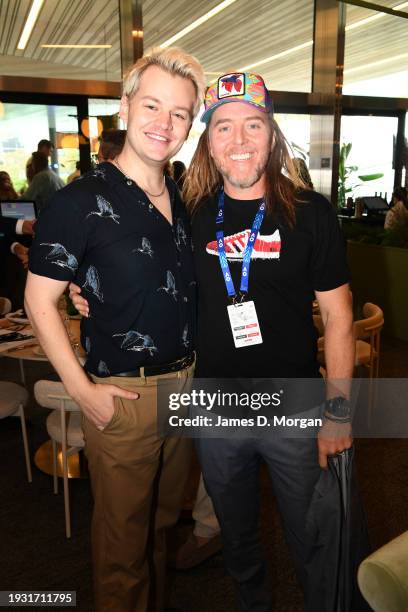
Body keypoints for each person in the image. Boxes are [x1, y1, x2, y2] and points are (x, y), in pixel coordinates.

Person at [70, 71, 356, 611]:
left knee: (317, 537)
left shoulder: (310, 213)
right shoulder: (188, 212)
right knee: (237, 536)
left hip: (293, 404)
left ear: (271, 136)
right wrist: (85, 293)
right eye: (224, 127)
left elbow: (339, 320)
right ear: (207, 140)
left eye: (253, 125)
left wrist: (338, 414)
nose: (240, 140)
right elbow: (132, 269)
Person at [25, 47, 206, 612]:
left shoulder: (177, 195)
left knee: (156, 528)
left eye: (179, 113)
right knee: (122, 546)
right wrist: (81, 392)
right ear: (125, 107)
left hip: (185, 385)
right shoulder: (78, 201)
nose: (164, 123)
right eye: (152, 104)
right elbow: (39, 300)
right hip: (125, 395)